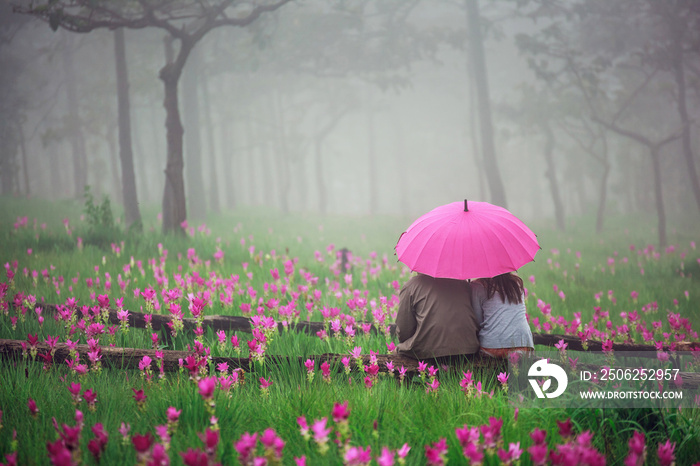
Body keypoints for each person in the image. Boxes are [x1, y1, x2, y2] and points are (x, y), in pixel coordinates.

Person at [396, 273, 480, 360]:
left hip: (428, 351)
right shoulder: (463, 284)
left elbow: (404, 329)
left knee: (399, 350)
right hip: (469, 349)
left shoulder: (412, 285)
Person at [470, 272, 533, 357]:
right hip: (523, 344)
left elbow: (477, 321)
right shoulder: (516, 283)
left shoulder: (477, 286)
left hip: (492, 347)